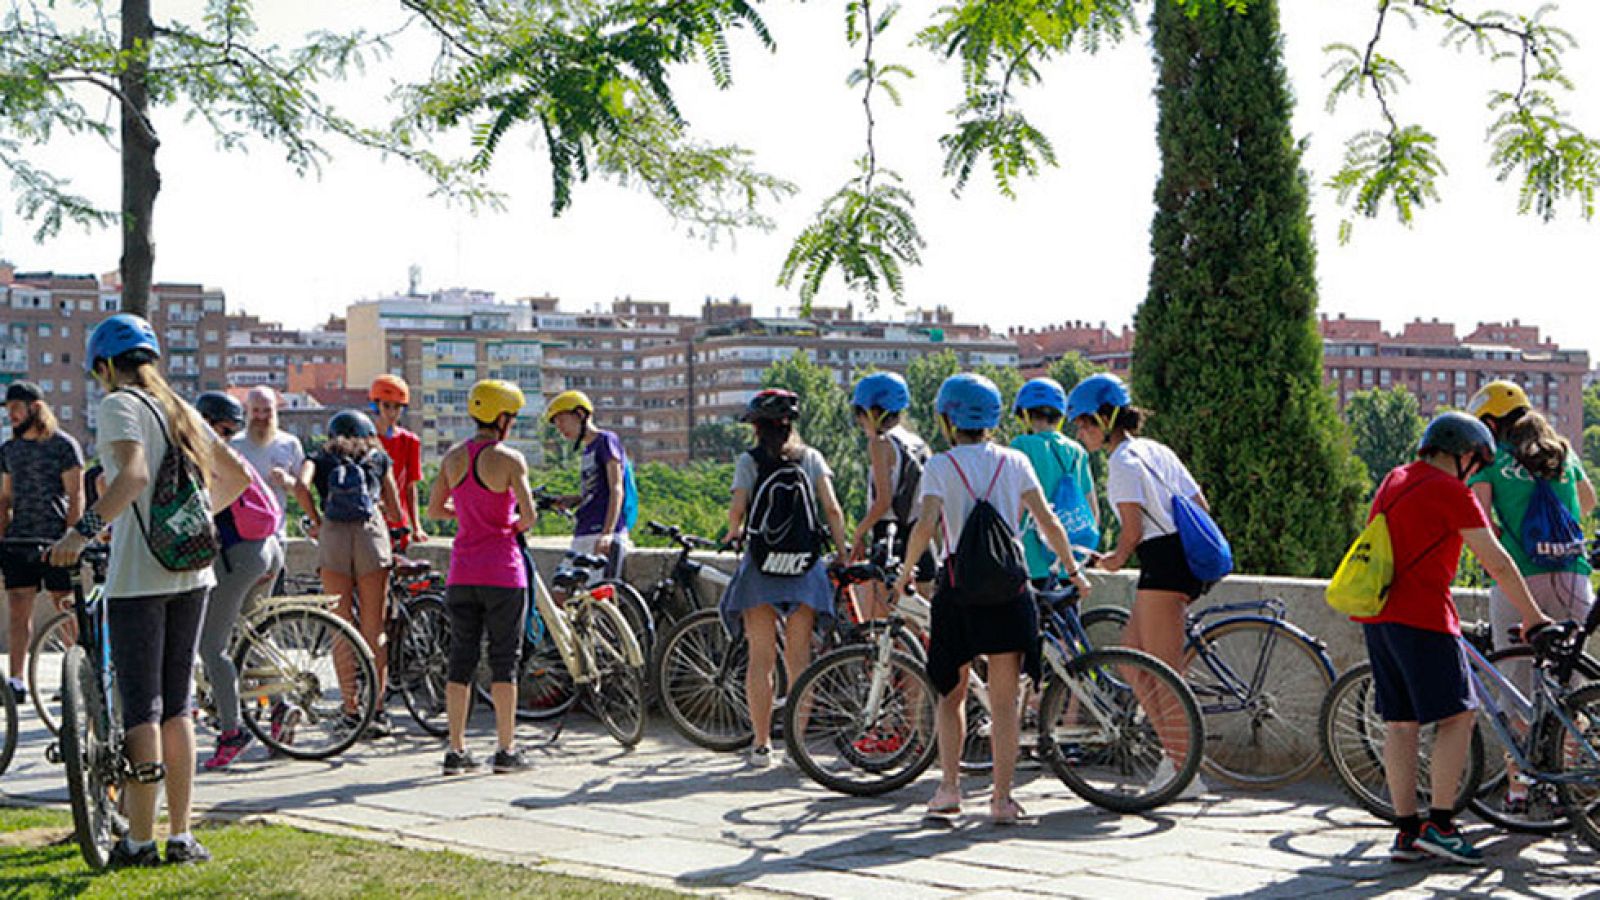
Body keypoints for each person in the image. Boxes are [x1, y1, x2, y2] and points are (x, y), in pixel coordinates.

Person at [49, 314, 250, 867]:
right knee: (178, 705)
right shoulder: (180, 407)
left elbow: (132, 475)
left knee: (143, 706)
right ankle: (181, 836)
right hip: (193, 573)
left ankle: (139, 840)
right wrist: (185, 522)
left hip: (139, 577)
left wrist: (80, 532)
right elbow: (237, 479)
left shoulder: (120, 404)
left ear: (107, 366)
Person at [1354, 411, 1551, 864]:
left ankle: (1407, 831)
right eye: (1477, 463)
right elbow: (1497, 562)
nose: (1476, 471)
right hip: (1424, 618)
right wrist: (1534, 617)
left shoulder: (1394, 479)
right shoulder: (1452, 492)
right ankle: (1441, 825)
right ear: (1464, 455)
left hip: (1379, 616)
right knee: (1457, 719)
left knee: (1400, 725)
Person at [894, 373, 1090, 824]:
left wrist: (905, 574)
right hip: (1010, 591)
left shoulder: (941, 466)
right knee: (1004, 703)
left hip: (957, 591)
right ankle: (1002, 799)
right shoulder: (1015, 461)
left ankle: (948, 789)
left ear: (947, 417)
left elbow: (925, 528)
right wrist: (1075, 572)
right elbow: (1048, 522)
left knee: (951, 694)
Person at [1066, 372, 1211, 797]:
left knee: (1164, 674)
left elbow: (1130, 531)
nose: (1081, 432)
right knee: (1131, 662)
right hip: (1176, 560)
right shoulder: (1155, 450)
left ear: (1105, 420)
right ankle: (1174, 758)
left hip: (1162, 566)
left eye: (1084, 423)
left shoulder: (1123, 463)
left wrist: (1113, 559)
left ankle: (1187, 773)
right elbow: (1200, 503)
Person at [1466, 381, 1595, 813]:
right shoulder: (1560, 451)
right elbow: (1588, 502)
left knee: (1515, 685)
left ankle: (1520, 791)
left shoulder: (1490, 461)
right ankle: (1571, 787)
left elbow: (1479, 522)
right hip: (1575, 581)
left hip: (1522, 580)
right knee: (1574, 688)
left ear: (1490, 423)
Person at [719, 389, 849, 768]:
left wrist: (732, 533)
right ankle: (796, 746)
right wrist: (841, 552)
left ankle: (761, 746)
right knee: (799, 660)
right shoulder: (811, 458)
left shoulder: (750, 460)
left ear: (756, 427)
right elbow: (833, 510)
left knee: (761, 658)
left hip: (761, 568)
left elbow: (737, 511)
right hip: (804, 567)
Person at [427, 380, 539, 775]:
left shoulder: (453, 458)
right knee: (504, 661)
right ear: (503, 418)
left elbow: (435, 510)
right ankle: (506, 749)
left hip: (462, 572)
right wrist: (504, 522)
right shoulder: (510, 460)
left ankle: (456, 750)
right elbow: (529, 517)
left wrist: (468, 515)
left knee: (461, 660)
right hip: (503, 572)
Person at [293, 409, 404, 737]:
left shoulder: (320, 456)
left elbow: (300, 485)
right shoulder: (378, 458)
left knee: (340, 626)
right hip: (371, 536)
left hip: (334, 536)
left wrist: (316, 519)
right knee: (374, 627)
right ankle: (378, 709)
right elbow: (397, 510)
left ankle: (351, 709)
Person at [194, 392, 285, 770]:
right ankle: (282, 706)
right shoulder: (236, 455)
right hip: (270, 548)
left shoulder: (209, 461)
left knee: (211, 647)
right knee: (252, 633)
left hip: (241, 556)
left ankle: (233, 732)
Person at [1, 380, 84, 702]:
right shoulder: (9, 450)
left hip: (56, 541)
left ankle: (76, 677)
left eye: (15, 409)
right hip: (19, 540)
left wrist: (72, 539)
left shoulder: (64, 445)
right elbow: (4, 497)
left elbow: (76, 496)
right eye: (8, 411)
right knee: (18, 611)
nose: (11, 416)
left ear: (35, 408)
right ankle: (16, 682)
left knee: (66, 608)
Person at [847, 372, 934, 619]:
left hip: (891, 540)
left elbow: (883, 500)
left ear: (872, 412)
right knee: (919, 632)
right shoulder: (918, 443)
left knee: (881, 628)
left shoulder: (880, 443)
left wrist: (859, 531)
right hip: (923, 542)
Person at [1009, 376, 1098, 588]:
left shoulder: (1021, 445)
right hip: (1070, 558)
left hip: (1032, 558)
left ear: (1025, 414)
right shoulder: (1077, 452)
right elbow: (1092, 509)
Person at [546, 390, 632, 579]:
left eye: (562, 420)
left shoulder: (606, 440)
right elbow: (595, 491)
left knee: (597, 597)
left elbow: (616, 488)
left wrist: (607, 533)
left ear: (580, 414)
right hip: (584, 529)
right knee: (560, 591)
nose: (560, 427)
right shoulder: (587, 451)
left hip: (602, 532)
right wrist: (574, 500)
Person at [232, 386, 303, 593]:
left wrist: (287, 481)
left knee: (273, 603)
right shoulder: (234, 445)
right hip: (241, 540)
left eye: (267, 411)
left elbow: (301, 490)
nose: (261, 417)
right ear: (247, 410)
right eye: (256, 411)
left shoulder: (290, 444)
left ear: (276, 411)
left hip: (277, 536)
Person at [371, 374, 428, 548]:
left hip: (398, 523)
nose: (392, 413)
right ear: (376, 405)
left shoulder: (410, 441)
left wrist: (416, 526)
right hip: (370, 519)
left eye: (397, 407)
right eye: (386, 406)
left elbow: (411, 486)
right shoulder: (364, 439)